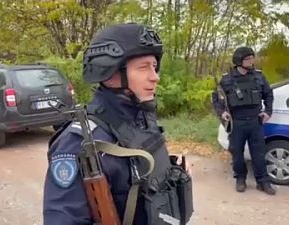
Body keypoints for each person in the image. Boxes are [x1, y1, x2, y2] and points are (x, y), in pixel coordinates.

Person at [43, 23, 193, 225]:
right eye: (143, 68)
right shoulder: (79, 144)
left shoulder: (141, 118)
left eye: (154, 67)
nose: (155, 77)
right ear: (110, 73)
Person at [211, 46, 276, 195]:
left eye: (252, 58)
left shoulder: (259, 76)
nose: (251, 61)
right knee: (237, 154)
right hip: (236, 122)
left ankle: (263, 182)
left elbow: (268, 94)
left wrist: (268, 111)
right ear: (239, 61)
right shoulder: (227, 79)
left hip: (255, 121)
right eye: (248, 59)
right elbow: (217, 98)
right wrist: (222, 113)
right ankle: (240, 178)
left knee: (259, 154)